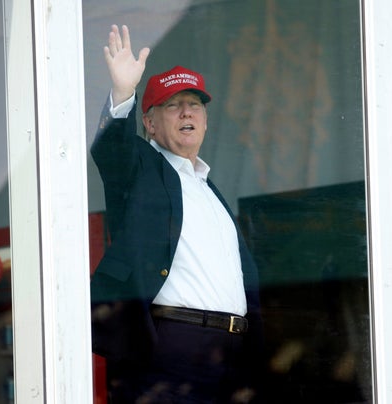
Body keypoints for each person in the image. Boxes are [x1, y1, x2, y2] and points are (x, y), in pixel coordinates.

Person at [89, 24, 264, 403]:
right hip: (175, 346)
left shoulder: (209, 188)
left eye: (195, 104)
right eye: (173, 105)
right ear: (149, 123)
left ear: (205, 120)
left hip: (230, 352)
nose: (187, 111)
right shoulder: (143, 169)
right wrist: (123, 94)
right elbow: (112, 152)